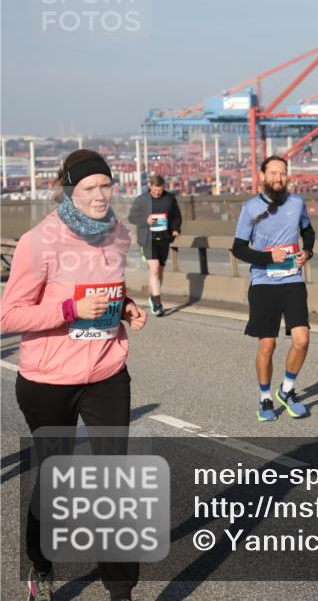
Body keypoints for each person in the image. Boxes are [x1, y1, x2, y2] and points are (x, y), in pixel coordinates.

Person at [1, 149, 147, 601]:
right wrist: (70, 310)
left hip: (106, 370)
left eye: (106, 185)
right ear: (70, 190)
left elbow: (107, 291)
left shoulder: (118, 234)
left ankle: (120, 590)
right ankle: (41, 564)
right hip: (47, 379)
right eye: (89, 188)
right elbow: (9, 315)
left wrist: (125, 307)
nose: (101, 195)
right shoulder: (39, 242)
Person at [231, 156, 315, 422]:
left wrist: (307, 252)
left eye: (283, 174)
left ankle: (287, 390)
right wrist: (269, 258)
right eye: (273, 173)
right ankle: (265, 398)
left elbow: (308, 232)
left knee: (302, 340)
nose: (278, 178)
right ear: (263, 176)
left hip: (292, 280)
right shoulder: (251, 208)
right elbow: (238, 248)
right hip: (264, 283)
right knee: (267, 345)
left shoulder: (297, 203)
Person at [127, 174, 182, 316]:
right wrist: (146, 220)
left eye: (160, 190)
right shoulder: (142, 200)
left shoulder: (169, 199)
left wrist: (175, 229)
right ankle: (157, 303)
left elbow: (176, 216)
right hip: (147, 239)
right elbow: (132, 217)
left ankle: (153, 296)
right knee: (155, 267)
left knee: (160, 271)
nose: (158, 192)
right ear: (150, 186)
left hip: (164, 238)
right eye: (155, 190)